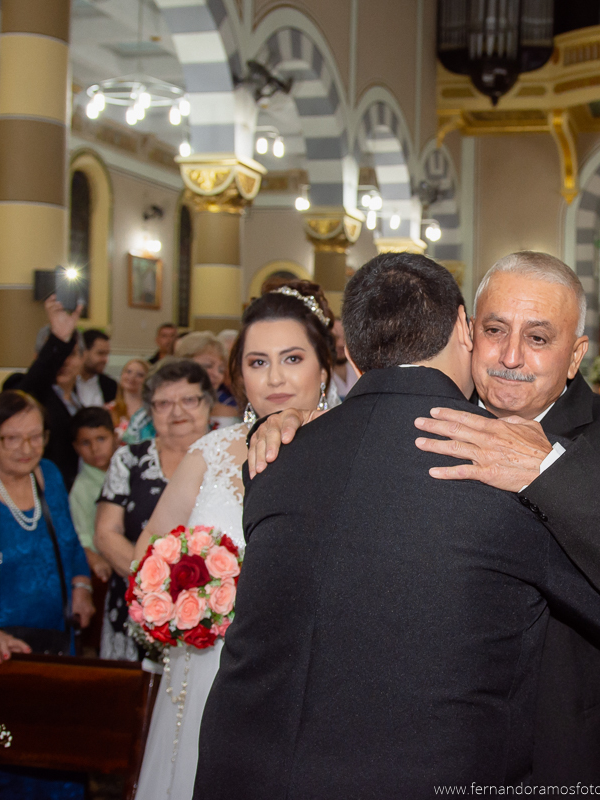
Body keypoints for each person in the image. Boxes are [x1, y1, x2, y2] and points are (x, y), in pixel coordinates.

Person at [196, 253, 600, 798]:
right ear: (466, 330)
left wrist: (549, 473)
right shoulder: (394, 426)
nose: (510, 357)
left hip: (568, 755)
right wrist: (292, 428)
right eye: (495, 330)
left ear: (575, 356)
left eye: (540, 339)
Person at [131, 282, 337, 800]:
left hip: (302, 670)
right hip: (203, 667)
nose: (275, 378)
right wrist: (181, 599)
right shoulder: (212, 451)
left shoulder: (347, 452)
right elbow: (150, 545)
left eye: (292, 358)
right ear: (238, 374)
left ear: (324, 366)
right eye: (257, 362)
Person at [0, 393, 96, 796]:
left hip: (50, 645)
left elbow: (68, 542)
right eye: (13, 439)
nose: (27, 449)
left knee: (53, 753)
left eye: (36, 436)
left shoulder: (48, 473)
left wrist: (81, 586)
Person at [94, 360, 212, 660]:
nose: (177, 411)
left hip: (214, 611)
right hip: (140, 607)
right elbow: (106, 533)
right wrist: (157, 585)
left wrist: (200, 595)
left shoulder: (230, 459)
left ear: (208, 403)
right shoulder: (128, 459)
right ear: (150, 411)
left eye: (188, 400)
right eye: (163, 403)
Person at [17, 296, 87, 489]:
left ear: (83, 358)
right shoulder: (31, 392)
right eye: (59, 355)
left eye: (70, 354)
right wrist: (59, 338)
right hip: (42, 489)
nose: (63, 361)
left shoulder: (80, 398)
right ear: (37, 358)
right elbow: (27, 390)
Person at [68, 407, 115, 583]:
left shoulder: (130, 473)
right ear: (75, 447)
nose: (95, 448)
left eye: (101, 439)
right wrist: (96, 560)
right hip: (105, 568)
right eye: (85, 443)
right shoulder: (81, 490)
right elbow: (83, 539)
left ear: (115, 437)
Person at [175, 331, 240, 428]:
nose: (216, 374)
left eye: (221, 370)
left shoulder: (230, 413)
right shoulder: (163, 407)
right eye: (208, 365)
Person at [75, 329, 117, 408]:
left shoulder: (110, 386)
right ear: (84, 352)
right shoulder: (68, 383)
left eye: (107, 354)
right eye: (100, 353)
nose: (105, 360)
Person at [109, 358, 148, 439]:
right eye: (128, 372)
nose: (132, 377)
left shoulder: (152, 411)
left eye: (140, 375)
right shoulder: (110, 410)